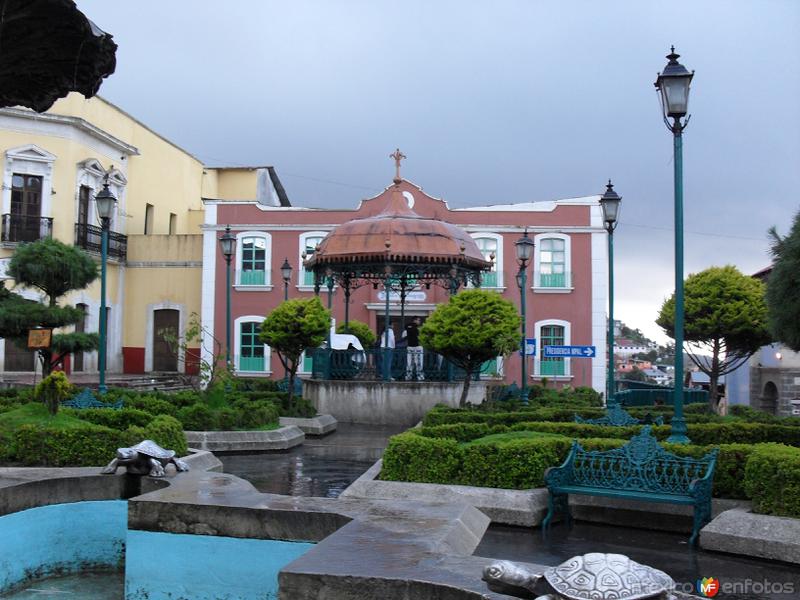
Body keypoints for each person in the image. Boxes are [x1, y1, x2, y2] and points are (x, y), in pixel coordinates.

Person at [403, 316, 424, 381]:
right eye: (418, 320)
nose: (419, 322)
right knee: (418, 362)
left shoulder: (408, 327)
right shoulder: (418, 328)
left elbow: (406, 329)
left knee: (410, 362)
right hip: (417, 347)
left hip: (410, 346)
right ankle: (419, 376)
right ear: (414, 320)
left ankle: (409, 376)